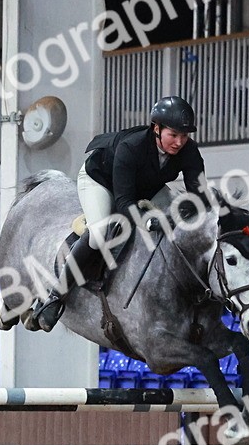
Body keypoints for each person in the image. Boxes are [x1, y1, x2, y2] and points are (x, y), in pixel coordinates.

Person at [30, 95, 207, 332]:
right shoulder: (131, 147)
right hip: (101, 181)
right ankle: (55, 296)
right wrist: (147, 222)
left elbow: (199, 195)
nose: (179, 142)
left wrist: (189, 215)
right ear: (156, 128)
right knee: (99, 235)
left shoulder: (189, 151)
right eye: (173, 135)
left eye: (184, 136)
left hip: (147, 187)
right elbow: (124, 201)